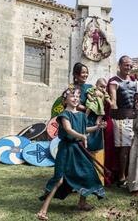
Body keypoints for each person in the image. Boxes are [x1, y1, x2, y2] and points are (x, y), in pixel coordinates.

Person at [36, 86, 106, 220]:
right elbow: (68, 130)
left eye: (78, 96)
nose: (75, 98)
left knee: (87, 172)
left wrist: (97, 127)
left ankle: (82, 202)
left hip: (78, 149)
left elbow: (84, 129)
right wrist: (82, 136)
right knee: (59, 179)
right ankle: (43, 210)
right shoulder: (64, 115)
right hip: (66, 149)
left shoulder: (81, 115)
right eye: (72, 96)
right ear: (65, 99)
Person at [108, 55, 138, 187]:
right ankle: (121, 176)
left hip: (134, 118)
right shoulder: (114, 82)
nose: (129, 68)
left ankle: (132, 174)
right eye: (126, 65)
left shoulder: (135, 83)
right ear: (120, 65)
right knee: (124, 149)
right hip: (121, 118)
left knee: (134, 147)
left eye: (131, 65)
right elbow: (114, 101)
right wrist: (115, 111)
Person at [72, 62, 105, 185]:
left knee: (93, 150)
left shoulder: (91, 86)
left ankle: (93, 179)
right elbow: (71, 103)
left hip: (94, 120)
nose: (85, 74)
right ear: (76, 74)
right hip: (81, 121)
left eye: (86, 72)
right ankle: (78, 180)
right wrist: (87, 107)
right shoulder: (72, 88)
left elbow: (100, 98)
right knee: (81, 150)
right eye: (82, 72)